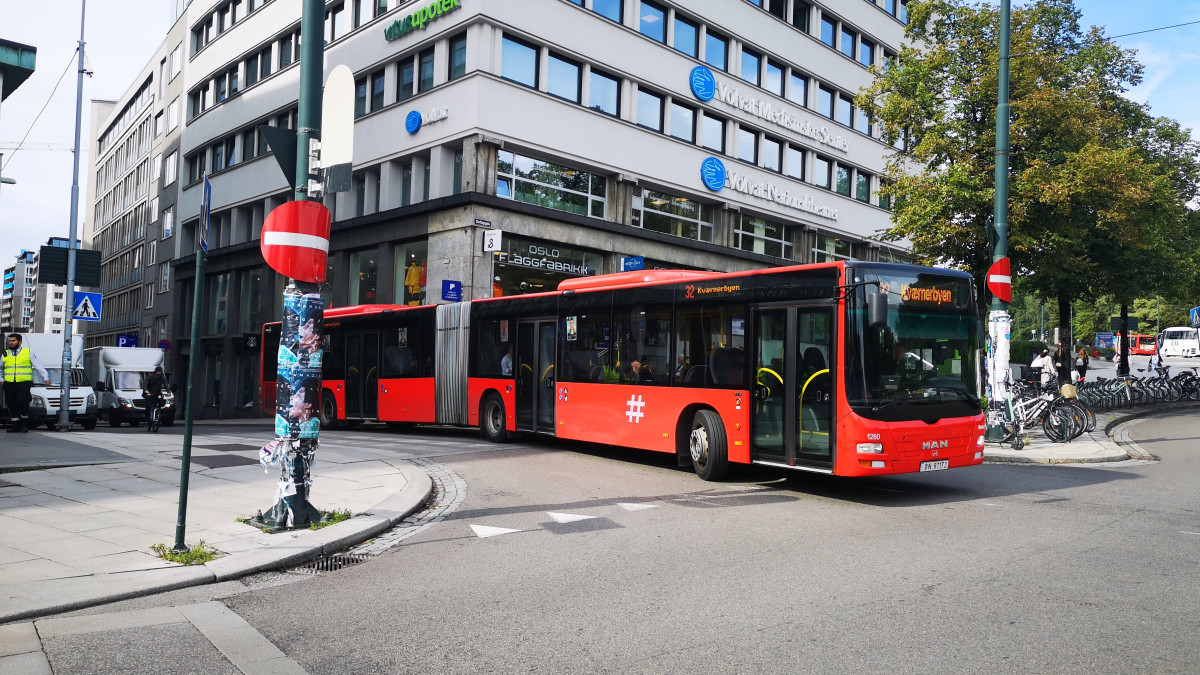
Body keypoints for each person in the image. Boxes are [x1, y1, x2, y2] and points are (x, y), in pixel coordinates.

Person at [2, 333, 52, 433]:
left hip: (24, 383)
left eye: (13, 341)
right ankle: (15, 424)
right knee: (11, 403)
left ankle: (24, 423)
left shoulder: (28, 352)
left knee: (23, 401)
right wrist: (1, 380)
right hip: (9, 383)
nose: (11, 343)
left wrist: (45, 377)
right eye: (10, 341)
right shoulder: (5, 354)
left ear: (20, 342)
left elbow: (38, 365)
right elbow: (0, 368)